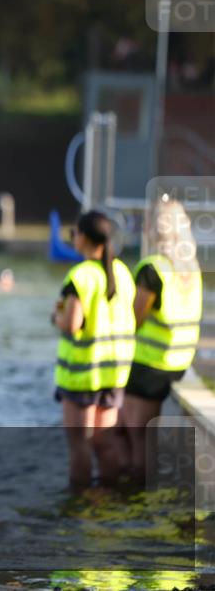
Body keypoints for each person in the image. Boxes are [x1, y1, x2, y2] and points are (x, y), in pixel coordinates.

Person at [119, 197, 203, 482]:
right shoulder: (190, 268)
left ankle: (134, 493)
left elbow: (134, 318)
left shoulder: (153, 269)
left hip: (149, 365)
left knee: (136, 434)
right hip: (178, 360)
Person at [51, 211, 135, 490]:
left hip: (83, 375)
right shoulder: (123, 272)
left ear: (83, 237)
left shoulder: (81, 275)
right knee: (104, 441)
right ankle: (108, 497)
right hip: (114, 373)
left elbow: (72, 324)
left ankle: (79, 504)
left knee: (80, 443)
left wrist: (56, 317)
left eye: (75, 233)